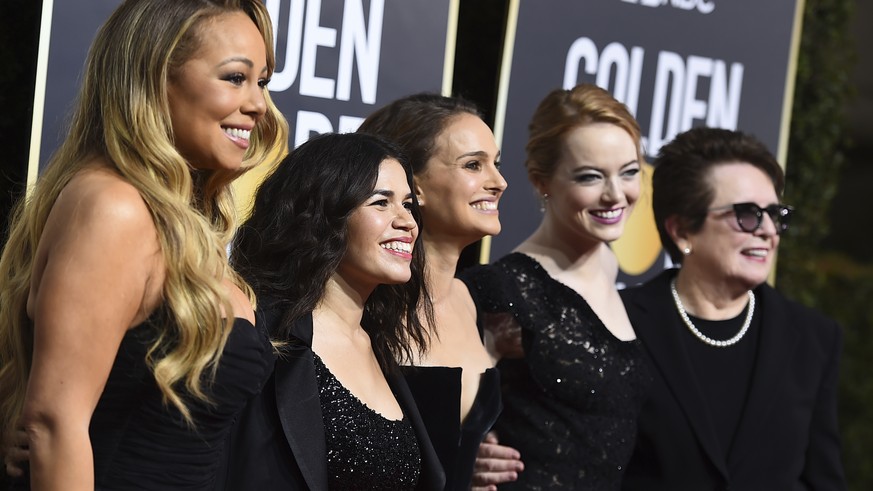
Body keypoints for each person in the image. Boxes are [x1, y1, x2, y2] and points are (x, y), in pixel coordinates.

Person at [0, 0, 288, 489]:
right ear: (156, 79)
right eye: (235, 78)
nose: (259, 104)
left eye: (261, 82)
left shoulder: (185, 223)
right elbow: (54, 423)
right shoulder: (114, 206)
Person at [620, 127, 847, 490]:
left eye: (776, 214)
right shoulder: (618, 323)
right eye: (747, 215)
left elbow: (822, 479)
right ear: (682, 231)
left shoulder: (812, 337)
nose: (769, 231)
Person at [225, 132, 445, 491]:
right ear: (323, 214)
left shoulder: (382, 343)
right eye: (380, 202)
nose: (407, 221)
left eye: (408, 204)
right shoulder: (262, 337)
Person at [461, 84, 651, 490]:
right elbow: (432, 420)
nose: (616, 194)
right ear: (541, 181)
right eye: (590, 177)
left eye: (630, 172)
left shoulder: (608, 266)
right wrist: (467, 455)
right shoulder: (500, 290)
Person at [357, 93, 517, 490]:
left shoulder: (469, 299)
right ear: (414, 185)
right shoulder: (364, 305)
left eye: (495, 164)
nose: (498, 182)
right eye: (473, 165)